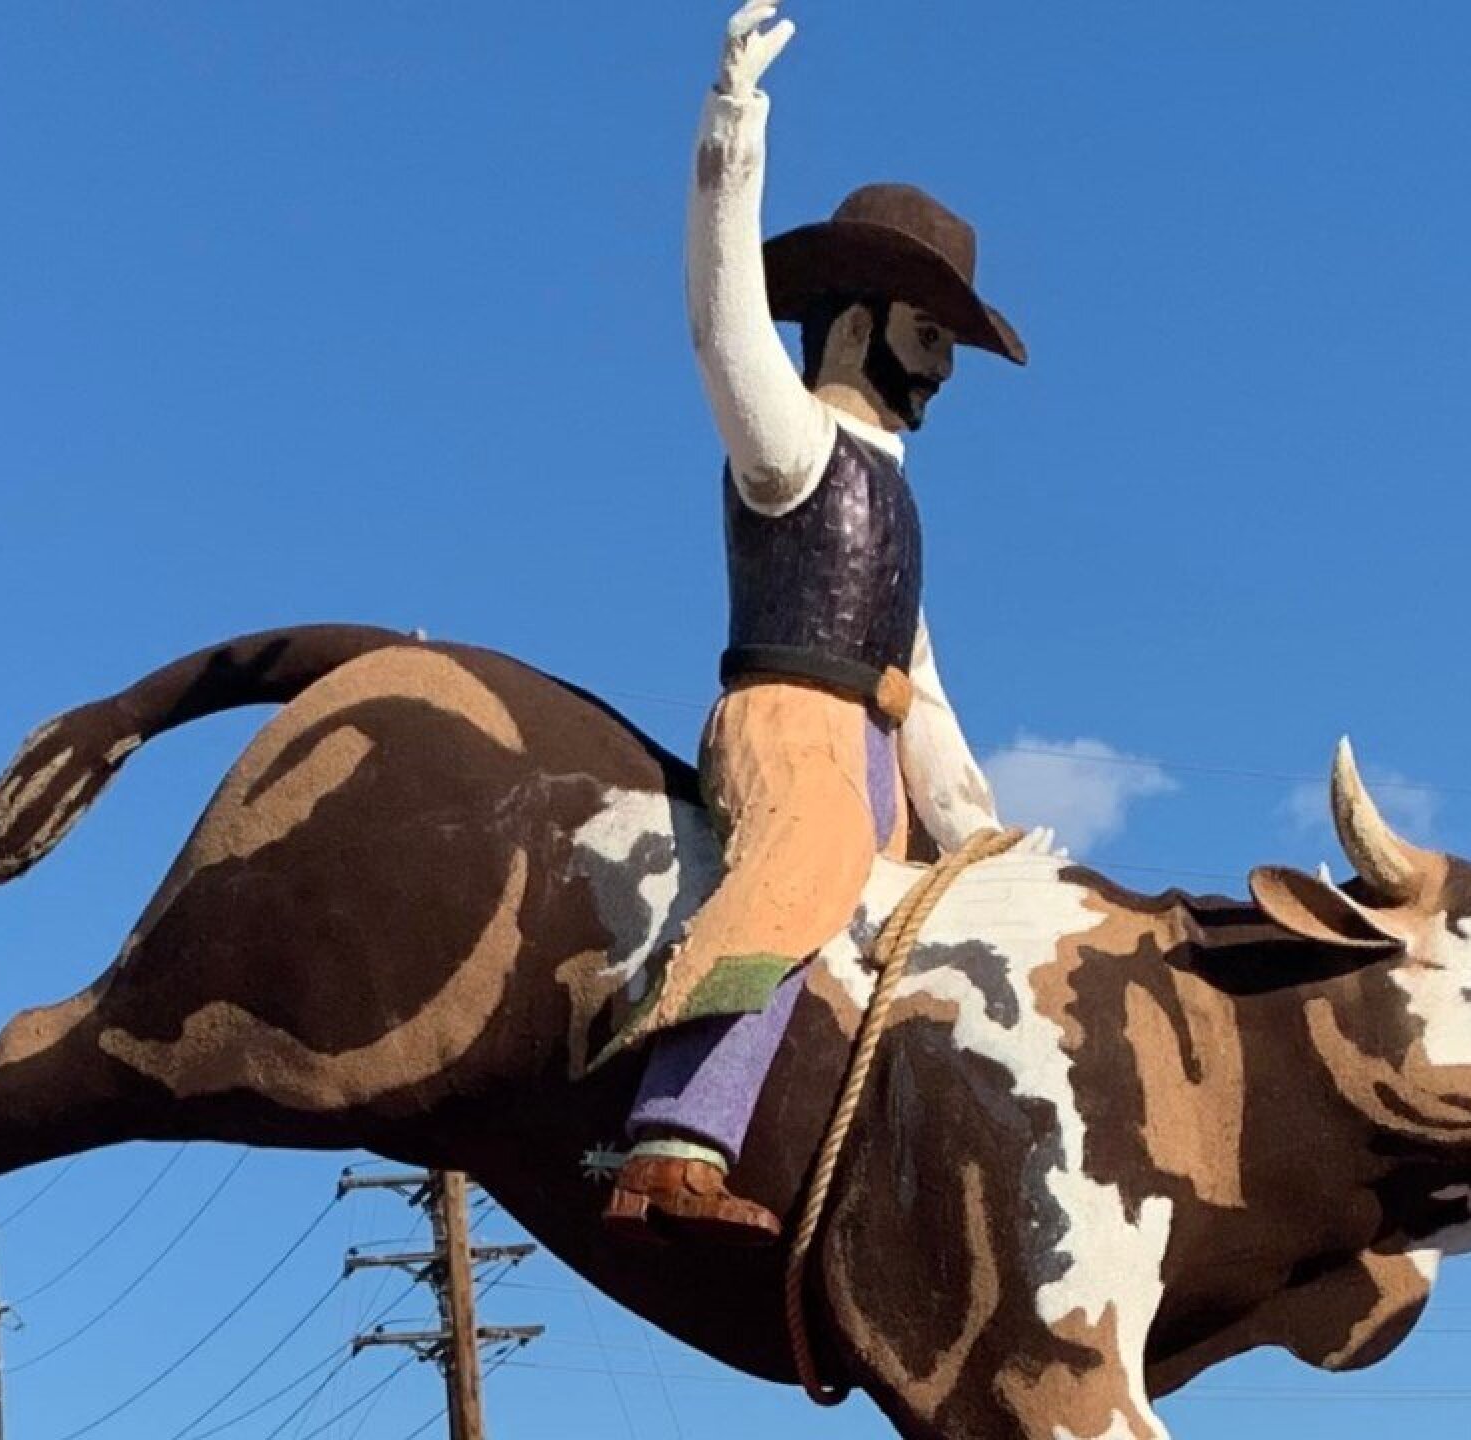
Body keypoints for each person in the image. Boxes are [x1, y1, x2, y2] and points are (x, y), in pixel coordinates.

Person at [603, 0, 1038, 1246]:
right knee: (801, 869)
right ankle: (671, 1139)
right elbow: (721, 320)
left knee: (902, 941)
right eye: (927, 334)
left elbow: (922, 690)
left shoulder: (893, 499)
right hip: (789, 728)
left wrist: (978, 840)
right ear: (854, 325)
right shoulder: (791, 450)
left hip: (874, 750)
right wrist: (733, 123)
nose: (940, 369)